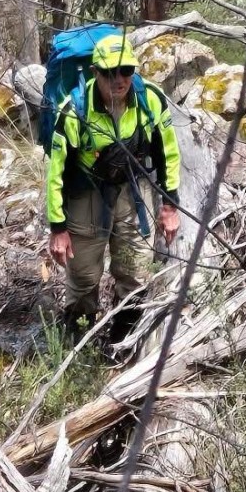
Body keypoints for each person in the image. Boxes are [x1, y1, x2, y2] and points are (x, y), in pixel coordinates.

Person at [46, 31, 181, 341]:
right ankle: (77, 346)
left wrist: (169, 206)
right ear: (96, 72)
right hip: (87, 193)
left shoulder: (151, 100)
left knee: (134, 270)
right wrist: (58, 228)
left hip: (134, 190)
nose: (118, 79)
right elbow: (55, 172)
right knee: (83, 276)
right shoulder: (74, 110)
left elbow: (168, 153)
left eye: (126, 70)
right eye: (109, 72)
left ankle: (123, 341)